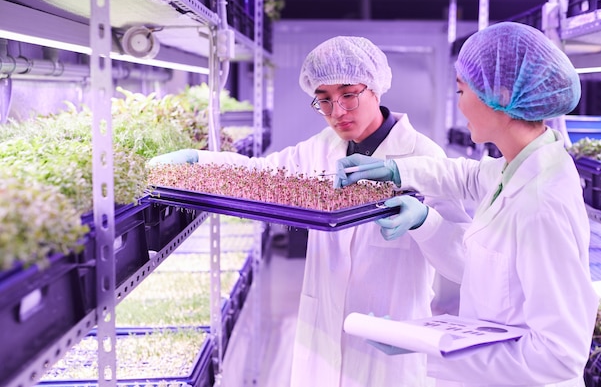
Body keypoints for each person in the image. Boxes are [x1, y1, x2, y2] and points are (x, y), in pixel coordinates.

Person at [149, 35, 470, 387]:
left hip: (388, 343)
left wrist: (425, 223)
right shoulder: (320, 148)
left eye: (349, 95)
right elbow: (263, 173)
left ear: (375, 88)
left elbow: (463, 262)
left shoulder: (424, 157)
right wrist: (201, 161)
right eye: (324, 100)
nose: (338, 112)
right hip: (322, 336)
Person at [334, 22, 599, 386]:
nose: (459, 106)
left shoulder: (540, 206)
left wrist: (432, 347)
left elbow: (559, 357)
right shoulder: (522, 163)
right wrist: (396, 170)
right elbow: (470, 177)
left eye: (461, 91)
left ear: (501, 96)